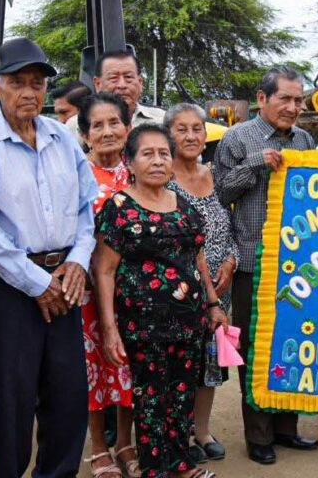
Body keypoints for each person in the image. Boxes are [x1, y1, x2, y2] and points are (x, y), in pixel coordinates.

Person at [0, 37, 97, 478]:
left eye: (37, 83)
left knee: (68, 395)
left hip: (64, 279)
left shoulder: (59, 137)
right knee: (10, 398)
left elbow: (87, 208)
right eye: (18, 82)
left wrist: (78, 261)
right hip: (8, 286)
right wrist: (35, 283)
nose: (30, 92)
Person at [93, 124, 228, 478]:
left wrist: (213, 303)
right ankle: (155, 469)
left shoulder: (183, 204)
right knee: (151, 399)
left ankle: (181, 464)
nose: (157, 161)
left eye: (163, 154)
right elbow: (104, 270)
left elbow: (197, 258)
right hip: (143, 326)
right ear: (130, 162)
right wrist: (109, 329)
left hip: (189, 323)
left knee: (182, 396)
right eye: (147, 154)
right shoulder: (118, 206)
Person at [214, 65, 318, 465]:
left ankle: (286, 429)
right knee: (257, 349)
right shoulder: (237, 138)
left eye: (298, 99)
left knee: (293, 343)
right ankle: (258, 435)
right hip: (252, 263)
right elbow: (221, 193)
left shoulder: (306, 139)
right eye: (285, 99)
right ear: (262, 99)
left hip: (299, 264)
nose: (293, 107)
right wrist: (258, 162)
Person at [164, 103, 239, 463]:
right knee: (182, 366)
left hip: (220, 291)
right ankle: (179, 434)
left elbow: (234, 229)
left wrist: (230, 260)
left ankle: (203, 430)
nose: (192, 136)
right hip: (182, 293)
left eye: (197, 129)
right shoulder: (161, 181)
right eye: (182, 129)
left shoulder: (216, 176)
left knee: (210, 364)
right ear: (169, 135)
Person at [76, 92, 140, 478]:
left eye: (114, 122)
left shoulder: (141, 171)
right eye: (97, 125)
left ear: (128, 127)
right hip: (87, 290)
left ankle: (125, 443)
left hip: (135, 293)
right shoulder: (76, 176)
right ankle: (99, 448)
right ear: (84, 135)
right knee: (93, 367)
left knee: (128, 364)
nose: (107, 131)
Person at [67, 51, 164, 138]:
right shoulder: (75, 126)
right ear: (97, 84)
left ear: (140, 81)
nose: (122, 85)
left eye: (128, 77)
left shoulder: (161, 120)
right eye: (113, 78)